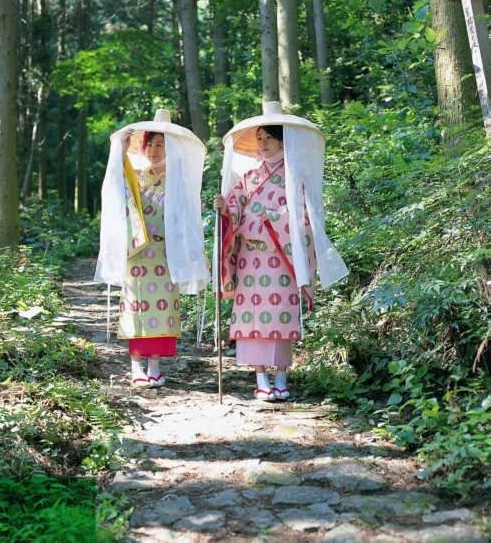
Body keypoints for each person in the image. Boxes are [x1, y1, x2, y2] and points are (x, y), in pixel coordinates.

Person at [213, 101, 349, 400]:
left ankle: (281, 378)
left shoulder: (294, 176)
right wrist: (226, 209)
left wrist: (268, 219)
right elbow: (235, 207)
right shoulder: (249, 178)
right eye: (259, 139)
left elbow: (303, 216)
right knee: (253, 319)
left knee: (279, 317)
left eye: (268, 139)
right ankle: (261, 378)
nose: (262, 144)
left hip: (281, 258)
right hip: (250, 259)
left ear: (281, 141)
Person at [95, 109, 209, 388]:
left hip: (166, 254)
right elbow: (114, 188)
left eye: (162, 144)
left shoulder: (179, 181)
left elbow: (188, 216)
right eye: (151, 144)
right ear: (143, 147)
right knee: (136, 307)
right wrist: (120, 150)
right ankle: (136, 366)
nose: (156, 150)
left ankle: (155, 366)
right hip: (136, 253)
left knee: (162, 309)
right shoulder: (132, 176)